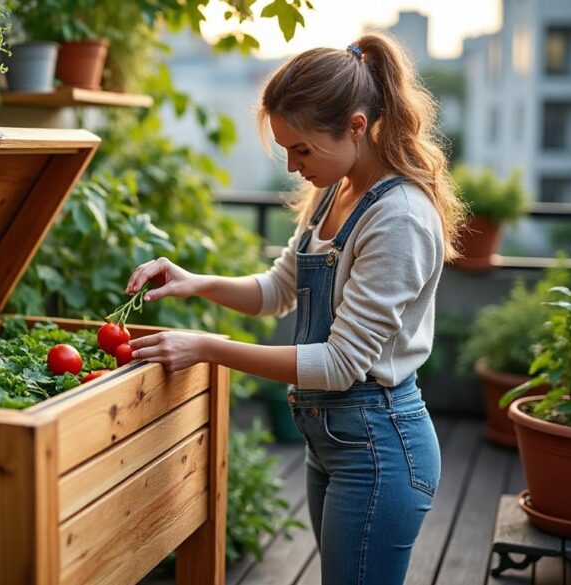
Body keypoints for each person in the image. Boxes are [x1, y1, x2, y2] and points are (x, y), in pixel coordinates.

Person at [123, 32, 467, 585]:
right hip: (330, 442)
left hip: (377, 450)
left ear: (357, 126)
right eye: (286, 148)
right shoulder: (338, 190)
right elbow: (279, 289)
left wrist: (207, 349)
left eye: (301, 149)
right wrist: (194, 283)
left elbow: (339, 364)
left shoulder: (399, 218)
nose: (291, 165)